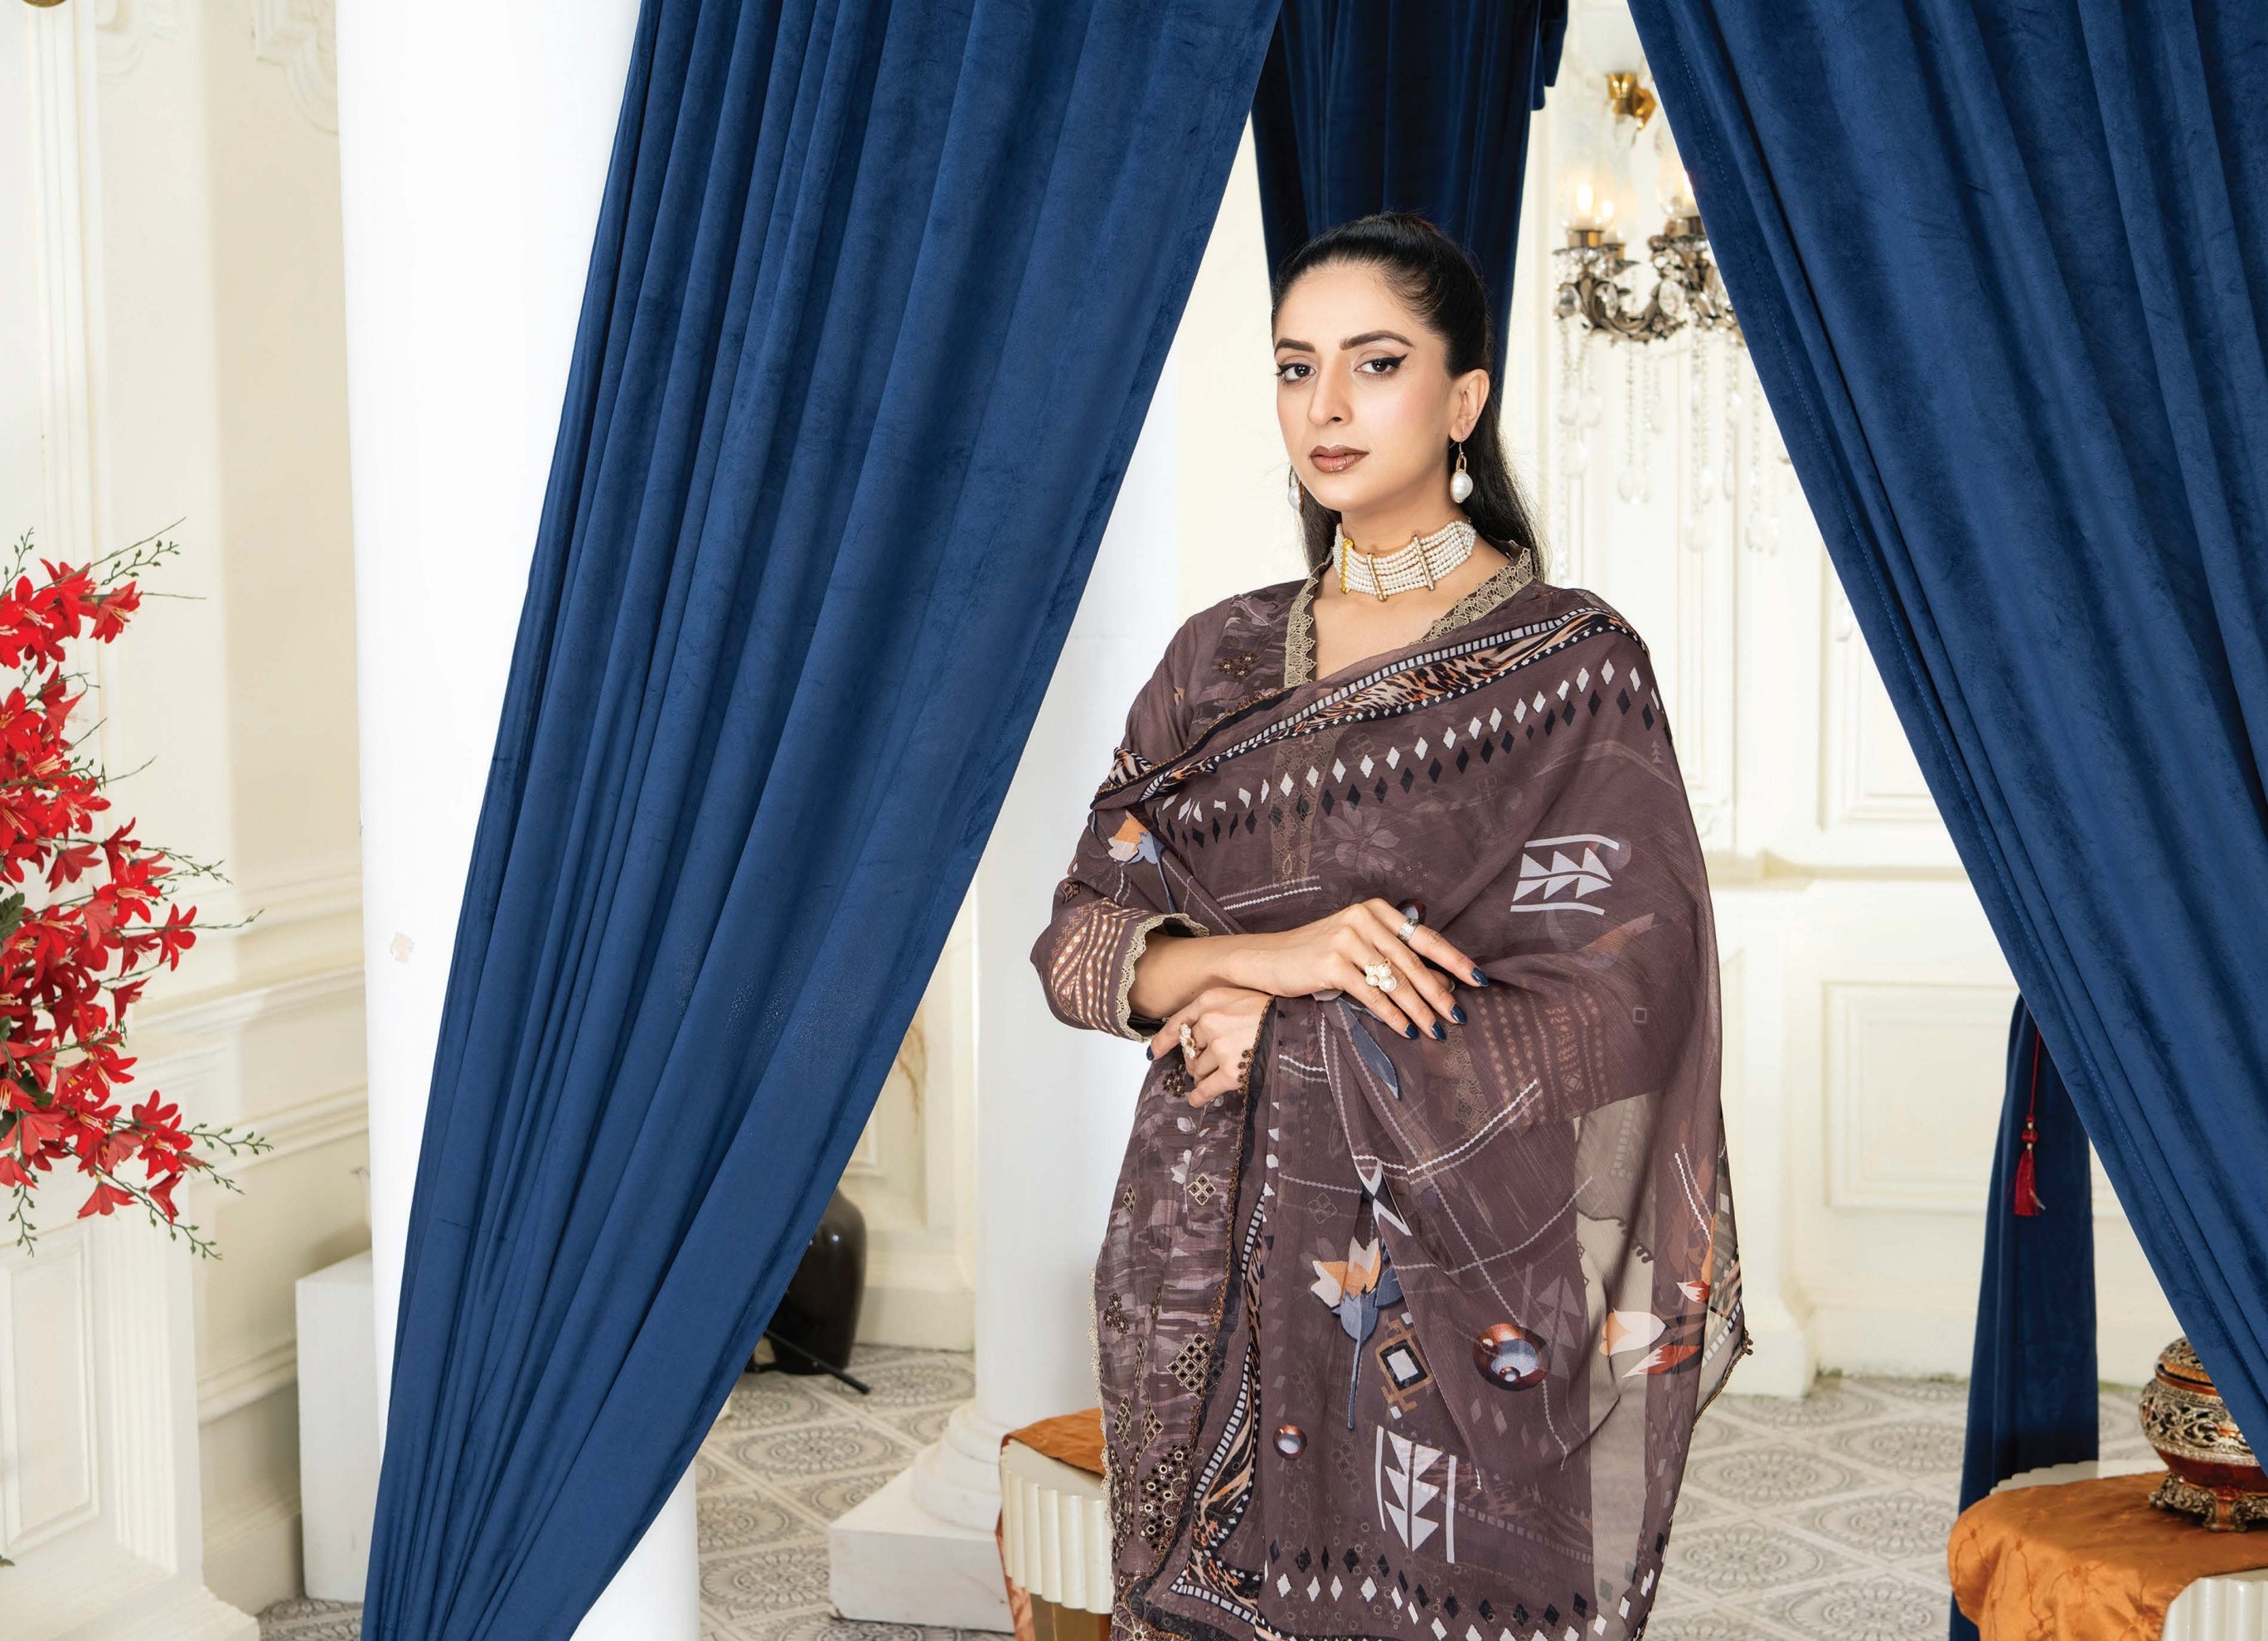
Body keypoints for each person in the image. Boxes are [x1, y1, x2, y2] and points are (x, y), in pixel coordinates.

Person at [1030, 211, 1745, 1641]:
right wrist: (1274, 964)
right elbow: (1078, 945)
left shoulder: (1570, 670)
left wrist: (1284, 1031)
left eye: (1375, 363)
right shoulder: (1217, 661)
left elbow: (1629, 1002)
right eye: (1296, 368)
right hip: (1200, 1258)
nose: (1328, 407)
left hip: (1455, 1279)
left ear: (1464, 399)